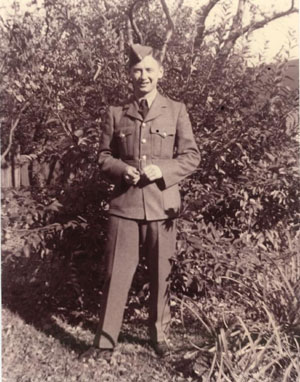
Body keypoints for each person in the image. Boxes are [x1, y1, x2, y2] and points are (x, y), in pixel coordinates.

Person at [88, 43, 200, 359]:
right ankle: (106, 341)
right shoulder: (115, 113)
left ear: (160, 73)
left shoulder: (176, 110)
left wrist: (161, 170)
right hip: (124, 206)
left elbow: (192, 156)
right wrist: (122, 170)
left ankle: (160, 336)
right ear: (129, 74)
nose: (143, 76)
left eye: (149, 69)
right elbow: (103, 157)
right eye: (137, 70)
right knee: (115, 273)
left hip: (162, 206)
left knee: (161, 274)